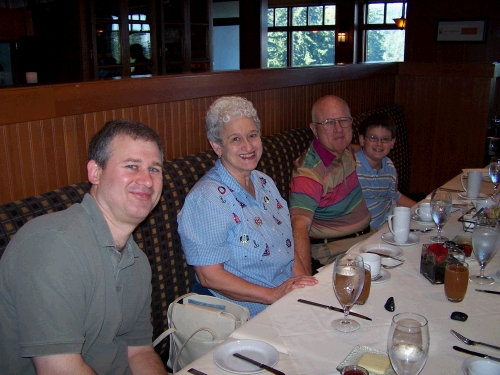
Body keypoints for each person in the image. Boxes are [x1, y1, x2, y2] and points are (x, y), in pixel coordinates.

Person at [0, 119, 168, 375]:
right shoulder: (53, 246)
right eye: (132, 166)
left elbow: (140, 351)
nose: (146, 180)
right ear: (95, 173)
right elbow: (60, 370)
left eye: (155, 169)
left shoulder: (137, 261)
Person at [177, 96, 317, 317]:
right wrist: (273, 295)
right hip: (242, 317)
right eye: (235, 139)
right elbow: (209, 276)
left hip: (284, 305)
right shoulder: (206, 199)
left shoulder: (264, 182)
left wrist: (303, 288)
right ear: (217, 146)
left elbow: (286, 250)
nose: (248, 146)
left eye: (252, 135)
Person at [289, 95, 372, 276]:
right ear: (314, 129)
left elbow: (356, 148)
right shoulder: (308, 174)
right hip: (337, 256)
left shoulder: (345, 149)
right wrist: (305, 281)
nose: (338, 129)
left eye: (343, 120)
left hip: (367, 242)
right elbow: (299, 225)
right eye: (328, 122)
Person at [355, 113, 416, 229]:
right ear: (362, 140)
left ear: (392, 143)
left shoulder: (389, 166)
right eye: (373, 138)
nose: (379, 144)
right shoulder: (353, 168)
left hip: (390, 223)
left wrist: (420, 208)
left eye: (385, 139)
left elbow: (394, 196)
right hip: (366, 231)